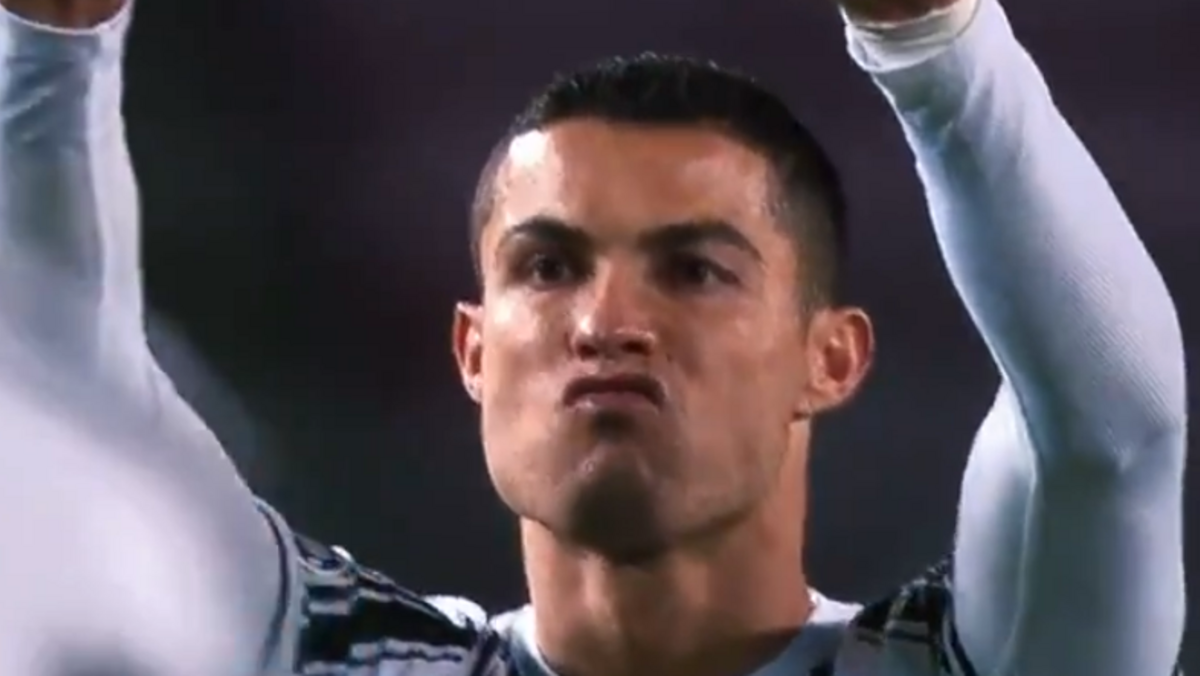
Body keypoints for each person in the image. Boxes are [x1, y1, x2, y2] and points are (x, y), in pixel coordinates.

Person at [0, 0, 1185, 674]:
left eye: (695, 269)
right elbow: (69, 404)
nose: (609, 321)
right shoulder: (328, 650)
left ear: (829, 356)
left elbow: (1114, 435)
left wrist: (935, 46)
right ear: (473, 351)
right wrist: (52, 43)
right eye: (548, 266)